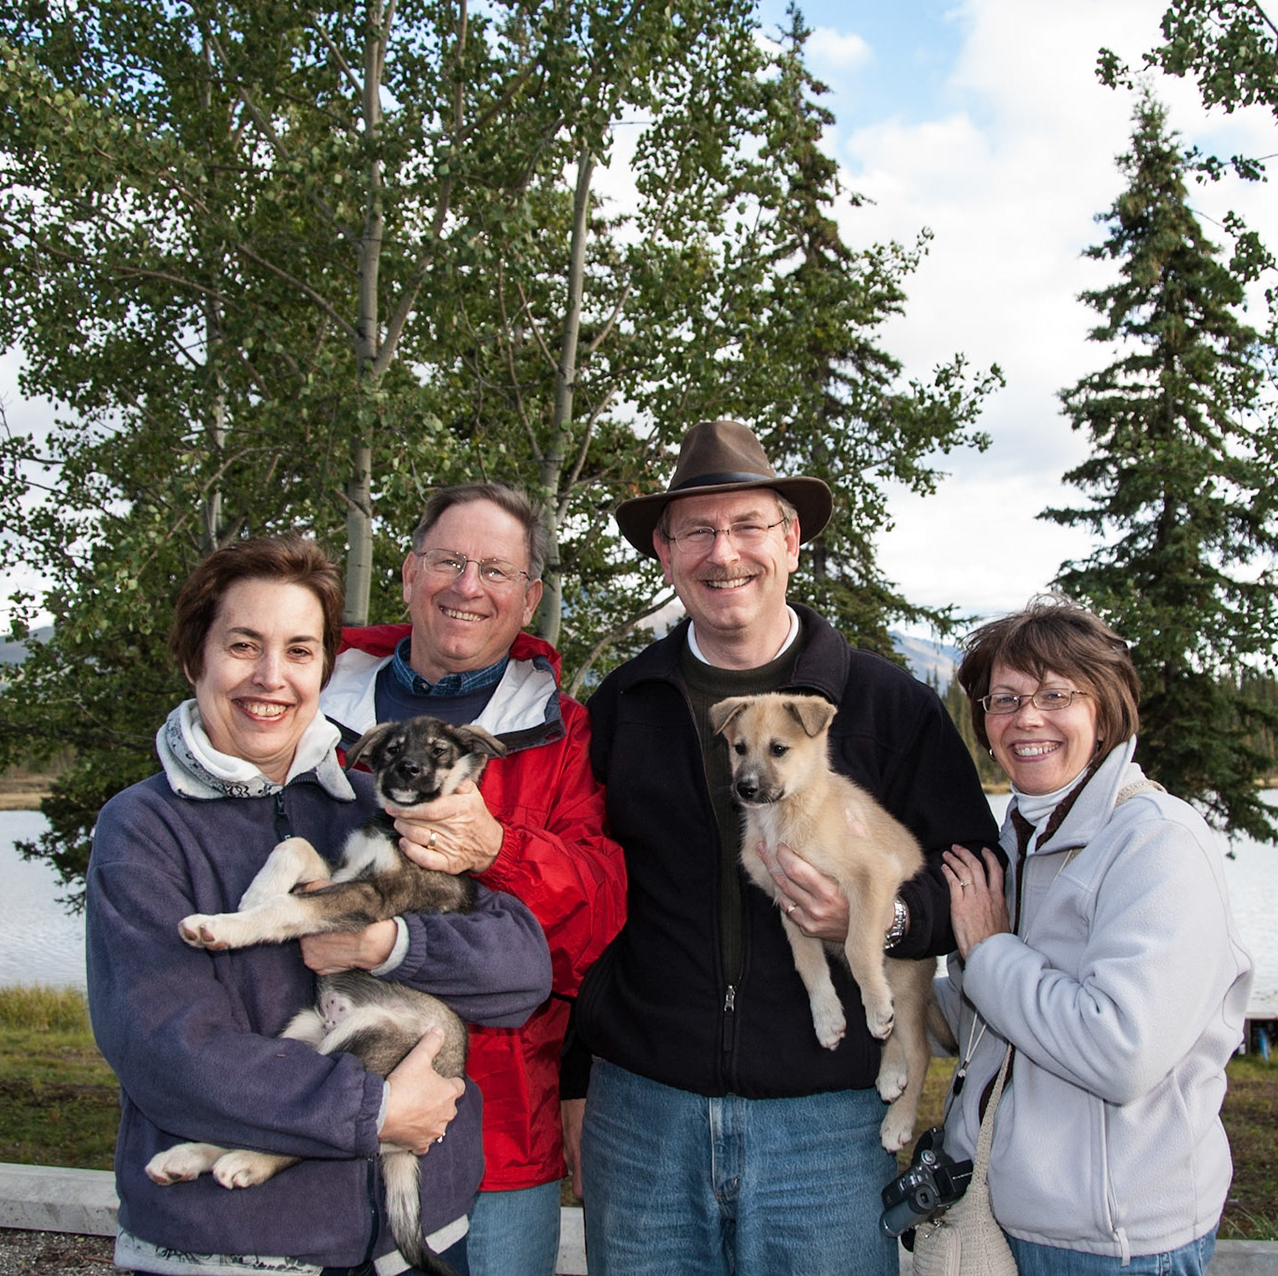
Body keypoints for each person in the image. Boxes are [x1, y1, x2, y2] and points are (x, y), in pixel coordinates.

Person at [568, 420, 1001, 1276]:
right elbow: (584, 902)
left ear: (791, 540)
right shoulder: (624, 705)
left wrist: (879, 920)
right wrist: (578, 1082)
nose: (723, 553)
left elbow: (976, 879)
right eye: (696, 530)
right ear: (664, 551)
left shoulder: (883, 705)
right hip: (643, 1115)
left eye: (748, 526)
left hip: (830, 1126)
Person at [85, 535, 553, 1276]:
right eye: (243, 645)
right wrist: (373, 1114)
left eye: (300, 651)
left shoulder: (380, 799)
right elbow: (167, 1051)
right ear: (192, 658)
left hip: (414, 1238)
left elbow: (523, 971)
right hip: (237, 1245)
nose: (272, 677)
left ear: (324, 671)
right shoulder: (144, 829)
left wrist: (390, 943)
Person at [316, 484, 626, 1276]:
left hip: (494, 1133)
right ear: (410, 571)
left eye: (495, 569)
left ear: (530, 597)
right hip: (310, 1109)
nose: (467, 586)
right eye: (449, 560)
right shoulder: (307, 705)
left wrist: (499, 849)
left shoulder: (561, 732)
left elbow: (596, 926)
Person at [935, 597, 1253, 1274]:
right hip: (1012, 1216)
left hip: (1115, 1243)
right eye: (1005, 698)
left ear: (1103, 712)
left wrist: (989, 952)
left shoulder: (1155, 845)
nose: (1027, 717)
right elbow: (1000, 1022)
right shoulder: (1022, 840)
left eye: (1056, 694)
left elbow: (1120, 1053)